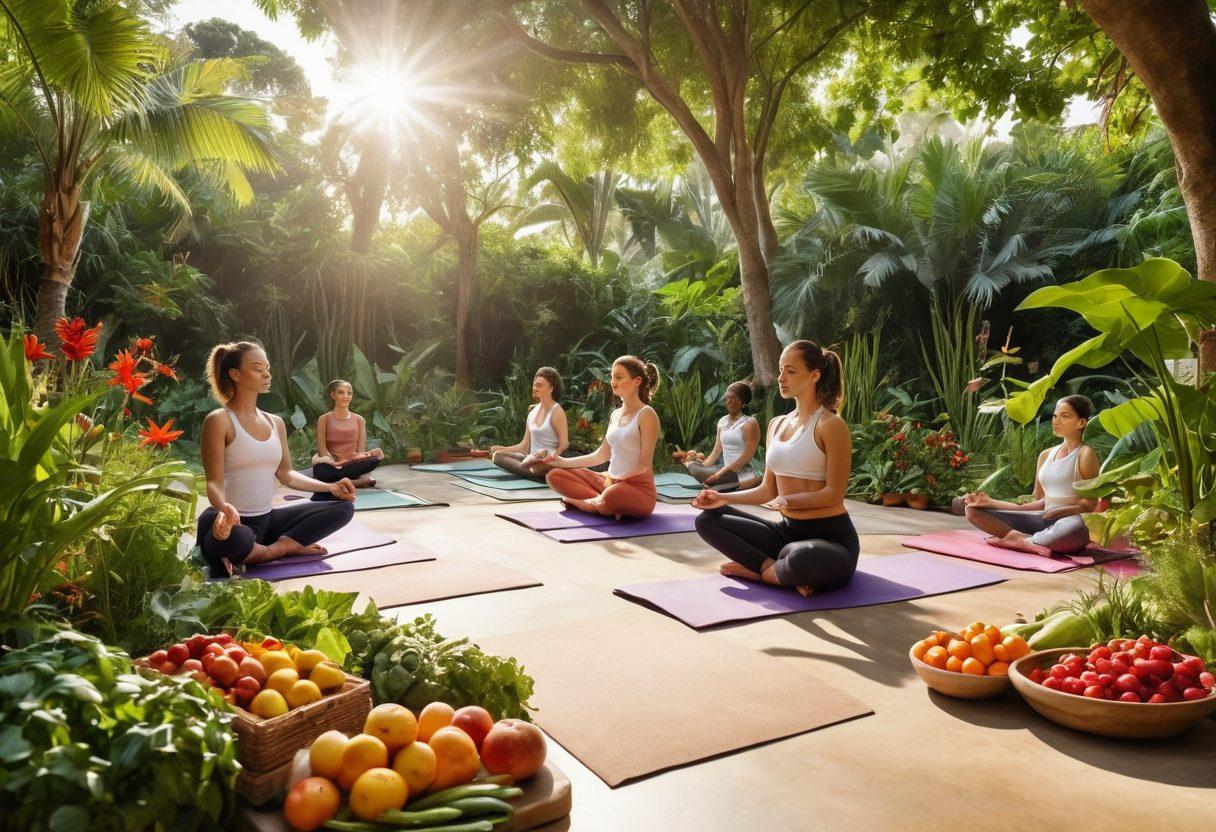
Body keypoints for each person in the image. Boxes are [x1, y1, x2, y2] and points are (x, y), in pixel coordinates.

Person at [693, 340, 859, 598]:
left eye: (790, 371)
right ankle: (772, 569)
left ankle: (765, 572)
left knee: (803, 555)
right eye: (781, 370)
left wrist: (786, 500)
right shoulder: (776, 425)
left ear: (814, 375)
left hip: (831, 540)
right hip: (786, 533)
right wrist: (722, 497)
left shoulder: (830, 425)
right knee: (708, 520)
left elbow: (834, 494)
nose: (781, 378)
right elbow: (768, 489)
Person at [197, 341, 356, 579]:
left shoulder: (276, 423)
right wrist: (224, 508)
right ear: (235, 374)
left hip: (266, 520)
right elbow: (213, 482)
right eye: (257, 368)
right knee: (232, 538)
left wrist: (331, 487)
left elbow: (286, 474)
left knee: (343, 508)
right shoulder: (219, 420)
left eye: (267, 367)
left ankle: (273, 549)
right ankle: (265, 548)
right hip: (229, 522)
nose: (267, 374)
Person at [962, 395, 1100, 557]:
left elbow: (1089, 504)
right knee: (973, 511)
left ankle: (1028, 542)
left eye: (1065, 416)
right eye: (1055, 416)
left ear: (1081, 423)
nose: (1056, 421)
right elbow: (1038, 501)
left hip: (1071, 522)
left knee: (1072, 527)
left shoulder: (1085, 454)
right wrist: (990, 502)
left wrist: (1059, 512)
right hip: (1043, 520)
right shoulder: (1045, 455)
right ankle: (1020, 538)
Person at [536, 356, 661, 518]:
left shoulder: (647, 415)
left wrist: (615, 482)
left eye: (619, 377)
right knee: (554, 475)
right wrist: (563, 462)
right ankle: (600, 503)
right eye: (612, 377)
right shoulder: (615, 414)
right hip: (609, 483)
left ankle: (599, 502)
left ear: (637, 381)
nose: (612, 381)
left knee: (613, 494)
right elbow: (601, 455)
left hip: (637, 489)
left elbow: (644, 466)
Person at [677, 380, 761, 492]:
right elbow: (717, 451)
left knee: (724, 484)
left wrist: (723, 472)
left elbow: (747, 456)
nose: (728, 402)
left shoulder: (749, 423)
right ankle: (720, 484)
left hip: (744, 472)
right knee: (694, 467)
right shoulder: (723, 421)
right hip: (724, 472)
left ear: (743, 402)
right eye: (727, 398)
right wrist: (702, 466)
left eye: (733, 398)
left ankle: (728, 484)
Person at [489, 367, 568, 480]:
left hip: (547, 461)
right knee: (497, 456)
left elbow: (564, 444)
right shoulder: (532, 411)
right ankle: (526, 468)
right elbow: (524, 446)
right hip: (530, 458)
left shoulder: (556, 411)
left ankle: (528, 468)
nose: (535, 388)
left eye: (539, 385)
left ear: (551, 388)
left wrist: (553, 456)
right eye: (534, 385)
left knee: (538, 465)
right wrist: (501, 448)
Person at [311, 379, 383, 499]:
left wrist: (358, 457)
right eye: (341, 392)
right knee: (320, 471)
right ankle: (357, 482)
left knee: (373, 460)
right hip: (331, 465)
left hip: (351, 464)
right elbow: (322, 450)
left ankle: (336, 482)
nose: (346, 396)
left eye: (349, 393)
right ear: (333, 395)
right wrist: (333, 463)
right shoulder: (324, 419)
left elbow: (360, 451)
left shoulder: (359, 420)